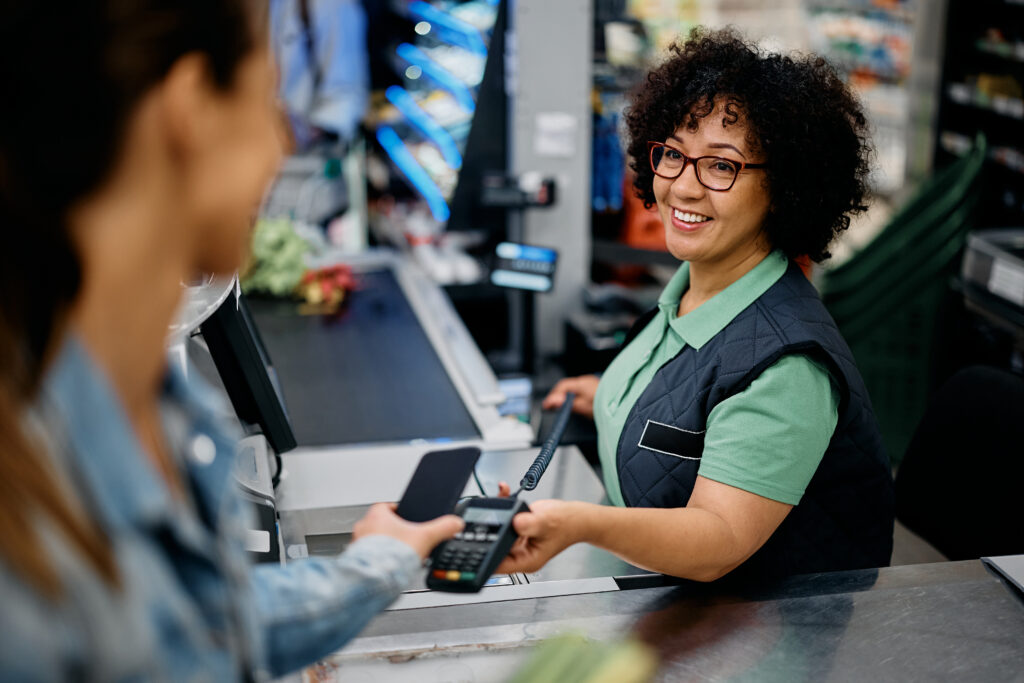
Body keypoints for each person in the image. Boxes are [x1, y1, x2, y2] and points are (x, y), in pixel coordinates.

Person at [0, 2, 461, 679]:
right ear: (193, 108)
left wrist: (378, 565)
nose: (281, 144)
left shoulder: (162, 406)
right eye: (265, 98)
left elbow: (205, 621)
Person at [499, 28, 895, 583]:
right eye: (674, 154)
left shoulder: (787, 369)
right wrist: (611, 395)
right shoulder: (686, 292)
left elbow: (720, 537)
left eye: (721, 165)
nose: (684, 187)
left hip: (751, 640)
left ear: (784, 187)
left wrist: (580, 525)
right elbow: (683, 399)